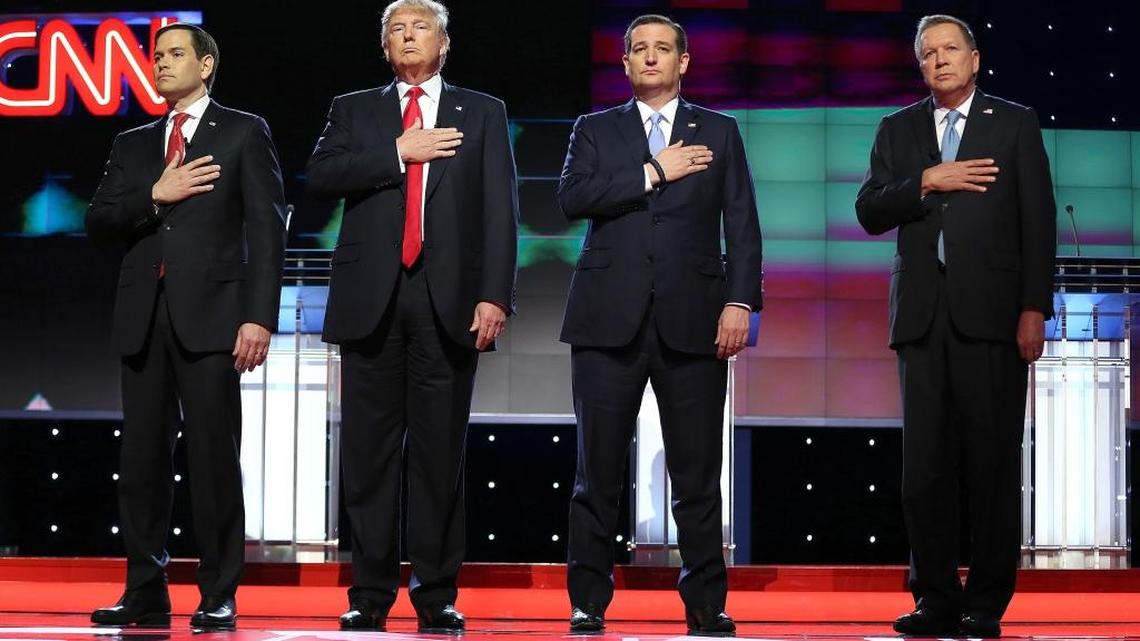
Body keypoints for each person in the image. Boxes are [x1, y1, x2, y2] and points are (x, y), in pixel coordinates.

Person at [306, 0, 518, 633]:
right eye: (395, 29)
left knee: (438, 455)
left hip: (448, 300)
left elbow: (500, 213)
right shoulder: (356, 109)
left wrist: (495, 295)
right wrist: (397, 151)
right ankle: (368, 594)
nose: (406, 35)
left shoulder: (482, 111)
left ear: (444, 42)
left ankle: (435, 593)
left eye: (419, 26)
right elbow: (319, 176)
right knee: (367, 456)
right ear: (383, 47)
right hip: (370, 298)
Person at [557, 13, 763, 638]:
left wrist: (740, 302)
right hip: (606, 320)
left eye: (662, 49)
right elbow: (573, 198)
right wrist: (654, 171)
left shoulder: (720, 132)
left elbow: (743, 223)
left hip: (695, 319)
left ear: (683, 62)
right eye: (638, 49)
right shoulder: (596, 129)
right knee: (596, 471)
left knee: (698, 472)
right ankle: (588, 601)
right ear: (624, 64)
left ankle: (706, 603)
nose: (650, 57)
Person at [855, 14, 1055, 638]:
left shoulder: (1014, 123)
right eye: (927, 53)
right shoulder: (898, 128)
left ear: (974, 59)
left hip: (994, 317)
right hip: (920, 319)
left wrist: (1033, 307)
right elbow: (869, 211)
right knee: (924, 473)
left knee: (991, 466)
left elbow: (1037, 221)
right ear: (920, 65)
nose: (939, 60)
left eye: (950, 49)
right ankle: (935, 598)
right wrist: (926, 181)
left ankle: (985, 602)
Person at [86, 22, 286, 631]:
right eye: (156, 55)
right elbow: (99, 221)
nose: (162, 63)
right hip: (144, 318)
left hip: (216, 320)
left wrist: (258, 316)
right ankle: (145, 589)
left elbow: (267, 228)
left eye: (176, 54)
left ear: (206, 65)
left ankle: (218, 591)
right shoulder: (134, 144)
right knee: (142, 464)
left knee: (213, 460)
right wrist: (156, 193)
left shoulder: (244, 132)